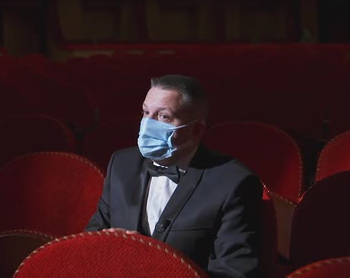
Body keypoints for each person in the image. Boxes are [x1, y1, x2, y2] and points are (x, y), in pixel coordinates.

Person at [86, 74, 263, 278]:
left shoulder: (233, 182)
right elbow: (92, 235)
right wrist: (103, 244)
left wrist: (156, 264)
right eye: (146, 112)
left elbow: (235, 272)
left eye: (164, 117)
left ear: (196, 130)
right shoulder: (122, 164)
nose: (147, 125)